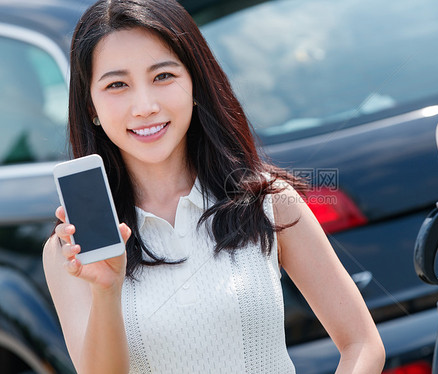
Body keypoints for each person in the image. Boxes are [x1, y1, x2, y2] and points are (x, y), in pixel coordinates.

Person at [42, 0, 386, 373]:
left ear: (194, 84)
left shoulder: (268, 202)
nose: (145, 106)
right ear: (90, 104)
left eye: (163, 76)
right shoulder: (72, 251)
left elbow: (362, 343)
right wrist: (106, 290)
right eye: (117, 85)